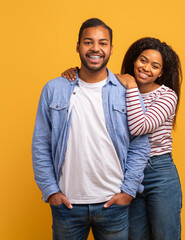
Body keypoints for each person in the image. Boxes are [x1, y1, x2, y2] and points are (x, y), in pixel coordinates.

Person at [32, 18, 150, 240]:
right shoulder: (54, 89)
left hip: (113, 204)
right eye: (88, 42)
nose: (95, 48)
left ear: (111, 49)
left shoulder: (126, 91)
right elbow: (41, 143)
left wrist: (127, 191)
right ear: (78, 46)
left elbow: (140, 144)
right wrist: (51, 192)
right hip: (67, 205)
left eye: (102, 43)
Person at [62, 37, 183, 240]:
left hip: (159, 172)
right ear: (134, 60)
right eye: (143, 60)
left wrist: (132, 88)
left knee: (166, 236)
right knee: (134, 236)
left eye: (155, 66)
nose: (146, 68)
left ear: (161, 73)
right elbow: (91, 86)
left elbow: (139, 126)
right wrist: (74, 73)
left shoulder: (167, 96)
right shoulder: (117, 86)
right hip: (126, 172)